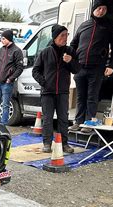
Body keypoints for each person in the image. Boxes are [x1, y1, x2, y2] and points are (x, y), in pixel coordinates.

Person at [68, 0, 113, 133]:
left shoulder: (110, 25)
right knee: (80, 97)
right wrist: (72, 61)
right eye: (99, 8)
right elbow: (73, 44)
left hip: (97, 68)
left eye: (104, 8)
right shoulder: (84, 25)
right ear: (93, 9)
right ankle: (78, 122)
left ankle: (89, 123)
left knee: (92, 96)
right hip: (80, 67)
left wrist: (111, 65)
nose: (101, 11)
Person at [32, 24, 81, 153]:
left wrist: (71, 61)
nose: (65, 38)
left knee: (63, 119)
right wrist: (44, 82)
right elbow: (35, 71)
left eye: (67, 35)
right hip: (48, 92)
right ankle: (47, 143)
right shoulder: (45, 52)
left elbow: (77, 69)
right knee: (47, 119)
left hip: (63, 91)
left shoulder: (70, 51)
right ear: (55, 37)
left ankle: (64, 144)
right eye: (62, 35)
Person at [0, 30, 23, 124]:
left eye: (3, 38)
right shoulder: (0, 50)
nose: (1, 40)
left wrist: (11, 79)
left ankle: (3, 126)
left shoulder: (17, 51)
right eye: (1, 38)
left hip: (7, 83)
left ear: (9, 38)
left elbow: (20, 68)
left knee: (5, 105)